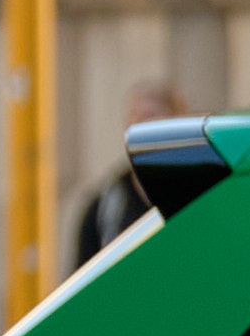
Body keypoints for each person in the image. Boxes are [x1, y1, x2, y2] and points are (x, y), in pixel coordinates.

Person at [72, 75, 185, 271]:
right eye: (133, 118)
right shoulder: (105, 207)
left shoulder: (192, 197)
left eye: (149, 117)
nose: (137, 128)